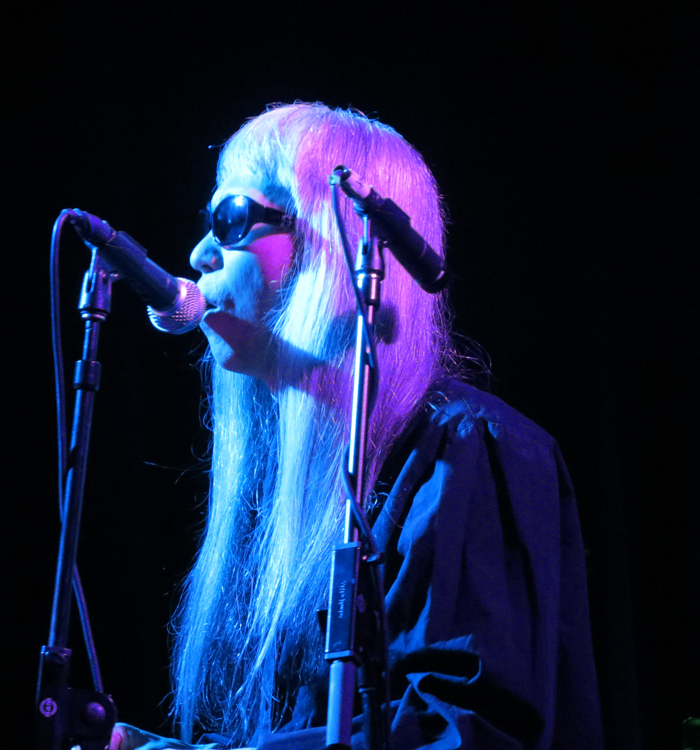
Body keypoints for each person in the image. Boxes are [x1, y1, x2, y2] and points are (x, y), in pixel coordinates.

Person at [111, 103, 603, 750]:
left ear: (327, 241)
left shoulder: (466, 453)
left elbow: (466, 732)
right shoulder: (297, 494)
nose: (199, 253)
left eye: (229, 219)